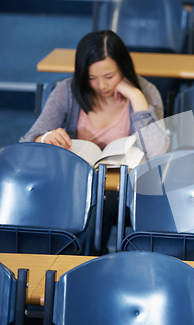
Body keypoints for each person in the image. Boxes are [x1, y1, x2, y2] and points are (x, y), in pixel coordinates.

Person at [20, 30, 167, 254]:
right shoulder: (67, 91)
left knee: (97, 206)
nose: (101, 86)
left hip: (126, 190)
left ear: (123, 68)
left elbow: (157, 152)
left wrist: (136, 97)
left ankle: (85, 264)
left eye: (109, 76)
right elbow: (26, 141)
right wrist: (45, 137)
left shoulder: (145, 92)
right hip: (74, 184)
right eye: (91, 77)